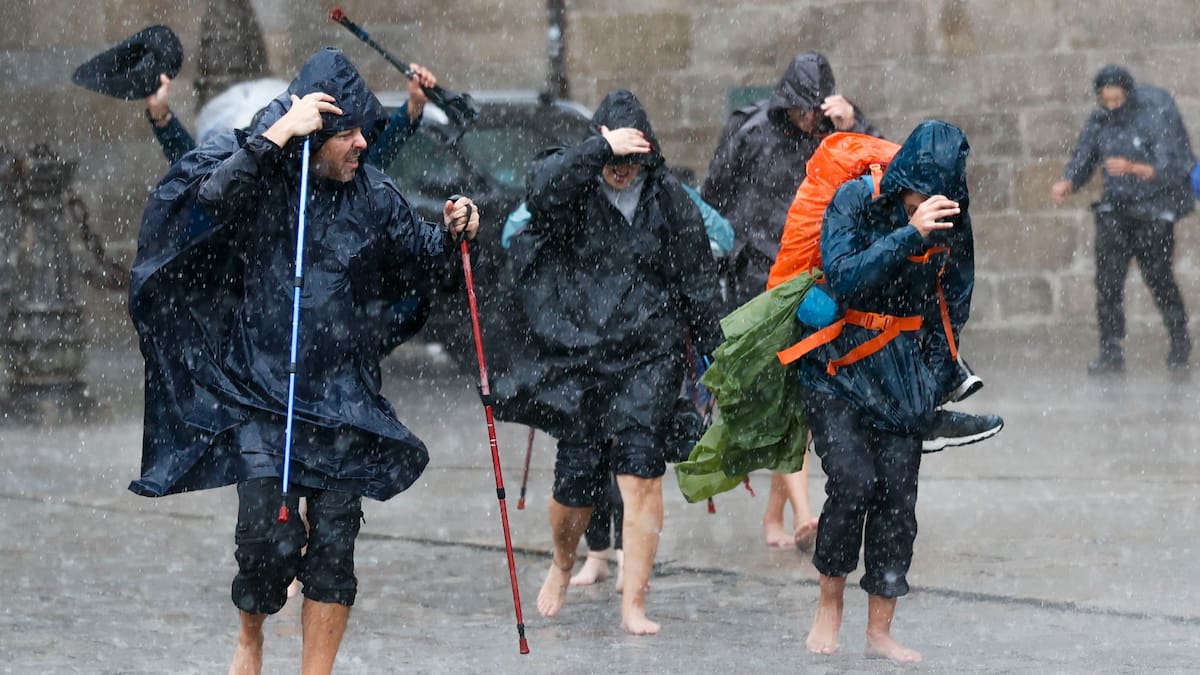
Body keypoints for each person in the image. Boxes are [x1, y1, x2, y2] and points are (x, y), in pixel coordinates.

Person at [127, 48, 479, 674]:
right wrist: (277, 133)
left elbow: (427, 254)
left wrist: (456, 231)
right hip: (265, 396)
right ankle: (251, 638)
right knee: (265, 547)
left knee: (334, 554)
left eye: (364, 130)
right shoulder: (264, 180)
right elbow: (212, 195)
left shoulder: (375, 195)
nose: (363, 143)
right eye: (348, 133)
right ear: (312, 134)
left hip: (345, 400)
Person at [492, 89, 722, 634]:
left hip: (650, 356)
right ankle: (562, 562)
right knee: (574, 487)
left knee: (641, 474)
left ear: (648, 153)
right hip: (583, 355)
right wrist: (597, 149)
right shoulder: (572, 189)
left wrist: (719, 357)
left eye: (630, 159)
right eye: (613, 158)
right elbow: (539, 190)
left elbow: (698, 282)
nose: (620, 169)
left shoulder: (670, 201)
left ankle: (633, 602)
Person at [792, 120, 975, 664]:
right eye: (920, 193)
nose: (929, 204)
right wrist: (910, 233)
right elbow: (846, 278)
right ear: (904, 180)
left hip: (903, 374)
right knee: (853, 482)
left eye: (940, 196)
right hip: (836, 367)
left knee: (898, 499)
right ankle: (829, 604)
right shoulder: (855, 199)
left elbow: (953, 302)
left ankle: (880, 631)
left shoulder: (954, 219)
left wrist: (934, 381)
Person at [702, 51, 878, 551]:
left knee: (803, 394)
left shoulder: (838, 132)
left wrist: (854, 126)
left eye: (816, 111)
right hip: (761, 276)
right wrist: (729, 254)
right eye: (803, 110)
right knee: (788, 395)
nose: (809, 119)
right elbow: (715, 194)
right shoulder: (751, 131)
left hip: (817, 277)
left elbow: (885, 171)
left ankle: (776, 516)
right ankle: (802, 515)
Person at [1051, 65, 1195, 374]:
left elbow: (1172, 165)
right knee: (1108, 284)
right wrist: (1068, 181)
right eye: (1107, 100)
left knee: (1160, 279)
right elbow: (1085, 155)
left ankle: (1179, 341)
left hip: (1153, 213)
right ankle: (1110, 351)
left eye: (1117, 99)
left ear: (1128, 94)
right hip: (1115, 212)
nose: (1113, 106)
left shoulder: (1153, 116)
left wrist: (1134, 167)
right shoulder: (1100, 121)